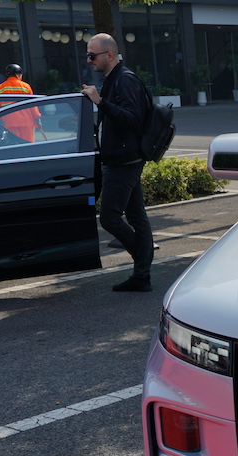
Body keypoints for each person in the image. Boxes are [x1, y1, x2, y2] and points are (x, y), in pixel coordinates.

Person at [81, 33, 154, 292]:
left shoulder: (125, 80)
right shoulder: (113, 79)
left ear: (109, 55)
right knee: (136, 215)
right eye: (88, 55)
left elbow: (133, 118)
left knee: (110, 218)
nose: (89, 60)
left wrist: (100, 102)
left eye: (92, 55)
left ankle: (142, 263)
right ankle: (142, 275)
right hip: (120, 158)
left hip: (124, 161)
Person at [0, 63, 42, 142]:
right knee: (28, 145)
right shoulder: (25, 86)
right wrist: (37, 117)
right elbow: (32, 104)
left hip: (10, 123)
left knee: (15, 144)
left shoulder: (1, 88)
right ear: (18, 74)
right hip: (26, 122)